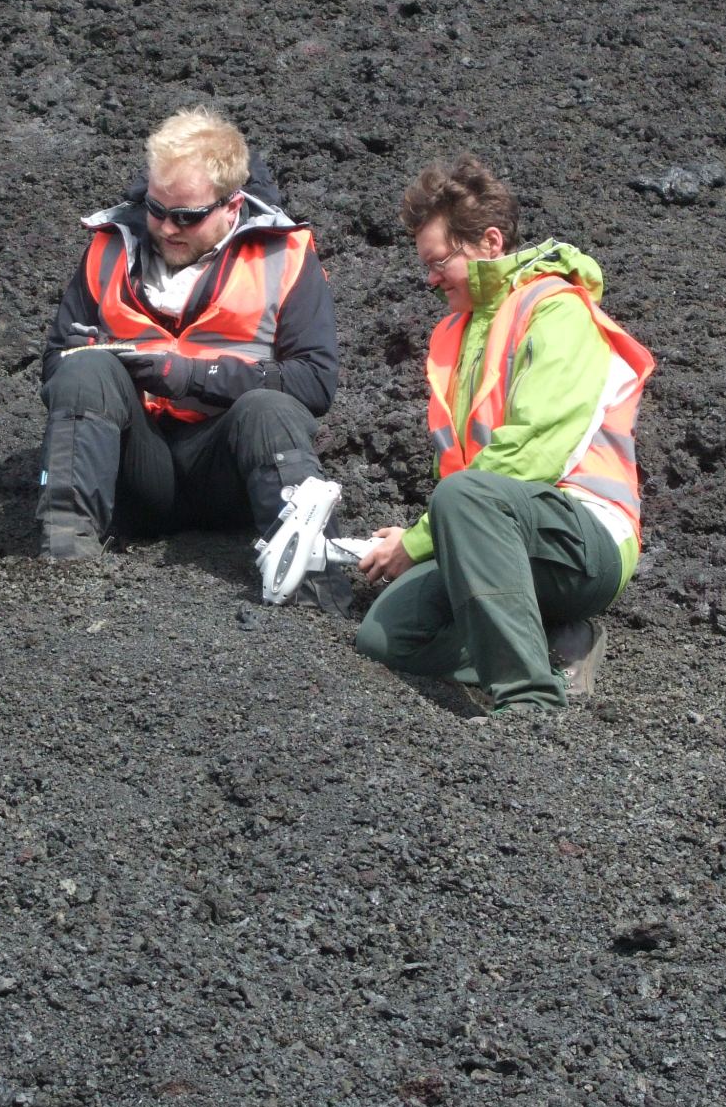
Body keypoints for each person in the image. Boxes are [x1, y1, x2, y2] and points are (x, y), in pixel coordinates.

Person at [355, 155, 655, 716]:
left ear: (489, 242)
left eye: (439, 260)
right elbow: (472, 483)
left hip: (586, 537)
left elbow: (533, 451)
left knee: (464, 497)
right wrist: (439, 529)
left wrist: (421, 539)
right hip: (498, 526)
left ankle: (527, 702)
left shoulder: (556, 311)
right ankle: (556, 646)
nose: (429, 278)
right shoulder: (459, 331)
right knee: (386, 636)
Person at [36, 106, 346, 607]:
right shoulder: (107, 247)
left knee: (271, 408)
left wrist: (188, 376)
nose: (165, 228)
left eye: (186, 216)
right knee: (83, 368)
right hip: (133, 470)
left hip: (231, 473)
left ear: (232, 205)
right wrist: (98, 360)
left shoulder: (285, 256)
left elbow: (314, 382)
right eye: (156, 208)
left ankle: (315, 598)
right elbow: (54, 366)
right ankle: (63, 572)